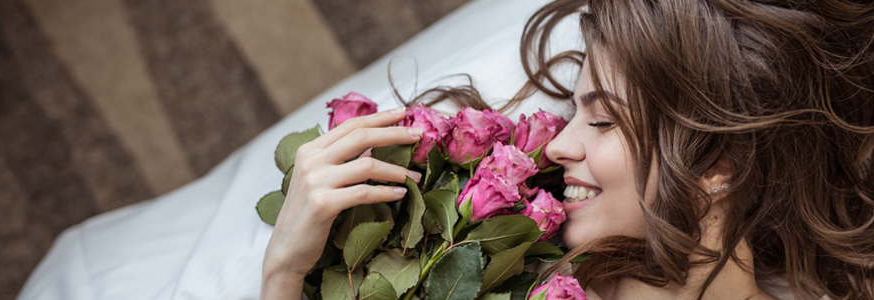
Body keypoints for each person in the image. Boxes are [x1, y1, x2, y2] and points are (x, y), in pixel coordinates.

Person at [262, 0, 874, 299]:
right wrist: (288, 269)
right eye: (575, 110)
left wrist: (283, 276)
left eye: (603, 121)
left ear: (719, 166)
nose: (555, 145)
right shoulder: (520, 244)